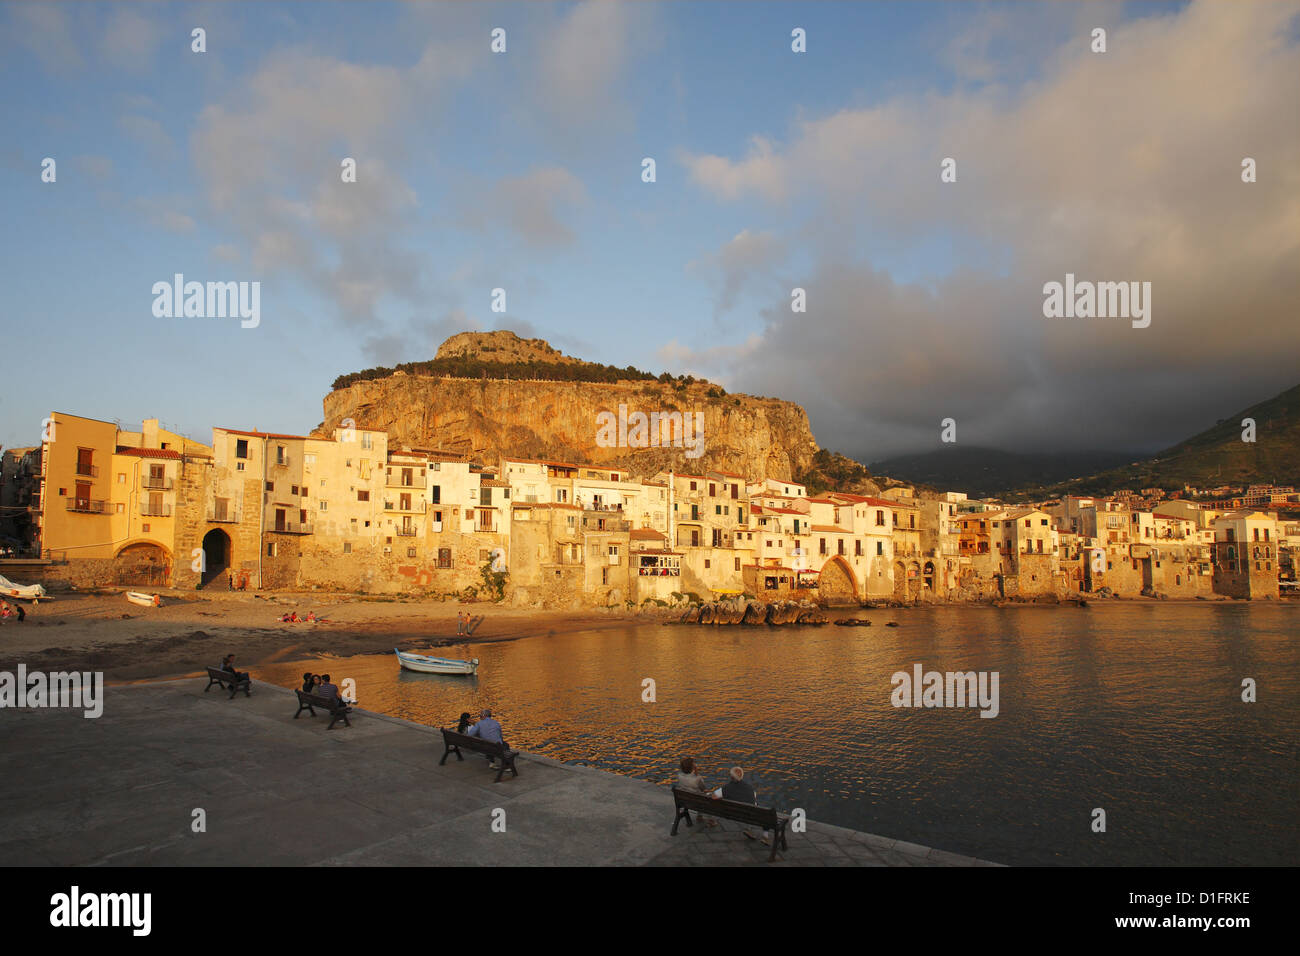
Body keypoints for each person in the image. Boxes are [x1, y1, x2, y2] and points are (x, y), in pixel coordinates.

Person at [716, 766, 769, 844]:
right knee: (765, 813)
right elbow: (753, 800)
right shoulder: (749, 788)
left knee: (750, 808)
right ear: (741, 776)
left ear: (731, 776)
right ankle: (765, 836)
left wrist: (723, 796)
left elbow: (713, 796)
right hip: (750, 815)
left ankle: (749, 830)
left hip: (732, 813)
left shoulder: (726, 788)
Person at [676, 757, 718, 828]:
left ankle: (700, 816)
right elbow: (704, 789)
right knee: (707, 796)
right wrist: (697, 772)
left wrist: (695, 772)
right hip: (698, 802)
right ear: (692, 767)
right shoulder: (698, 778)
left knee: (697, 794)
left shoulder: (679, 776)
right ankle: (711, 820)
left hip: (685, 801)